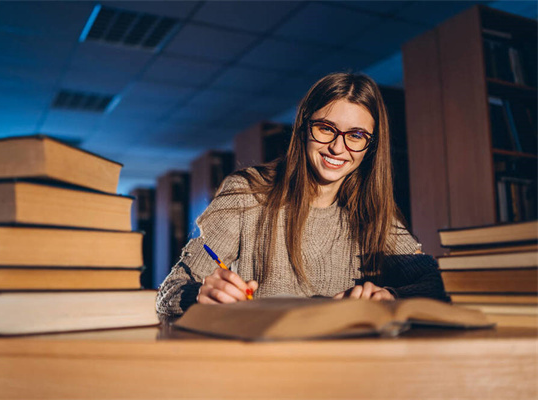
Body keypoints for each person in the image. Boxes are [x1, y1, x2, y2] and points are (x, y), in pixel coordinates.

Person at [156, 72, 448, 317]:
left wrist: (391, 296)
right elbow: (169, 291)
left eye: (356, 135)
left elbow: (436, 282)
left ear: (371, 146)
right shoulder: (247, 193)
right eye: (325, 128)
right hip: (263, 367)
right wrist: (200, 295)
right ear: (303, 128)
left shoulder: (375, 214)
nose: (337, 147)